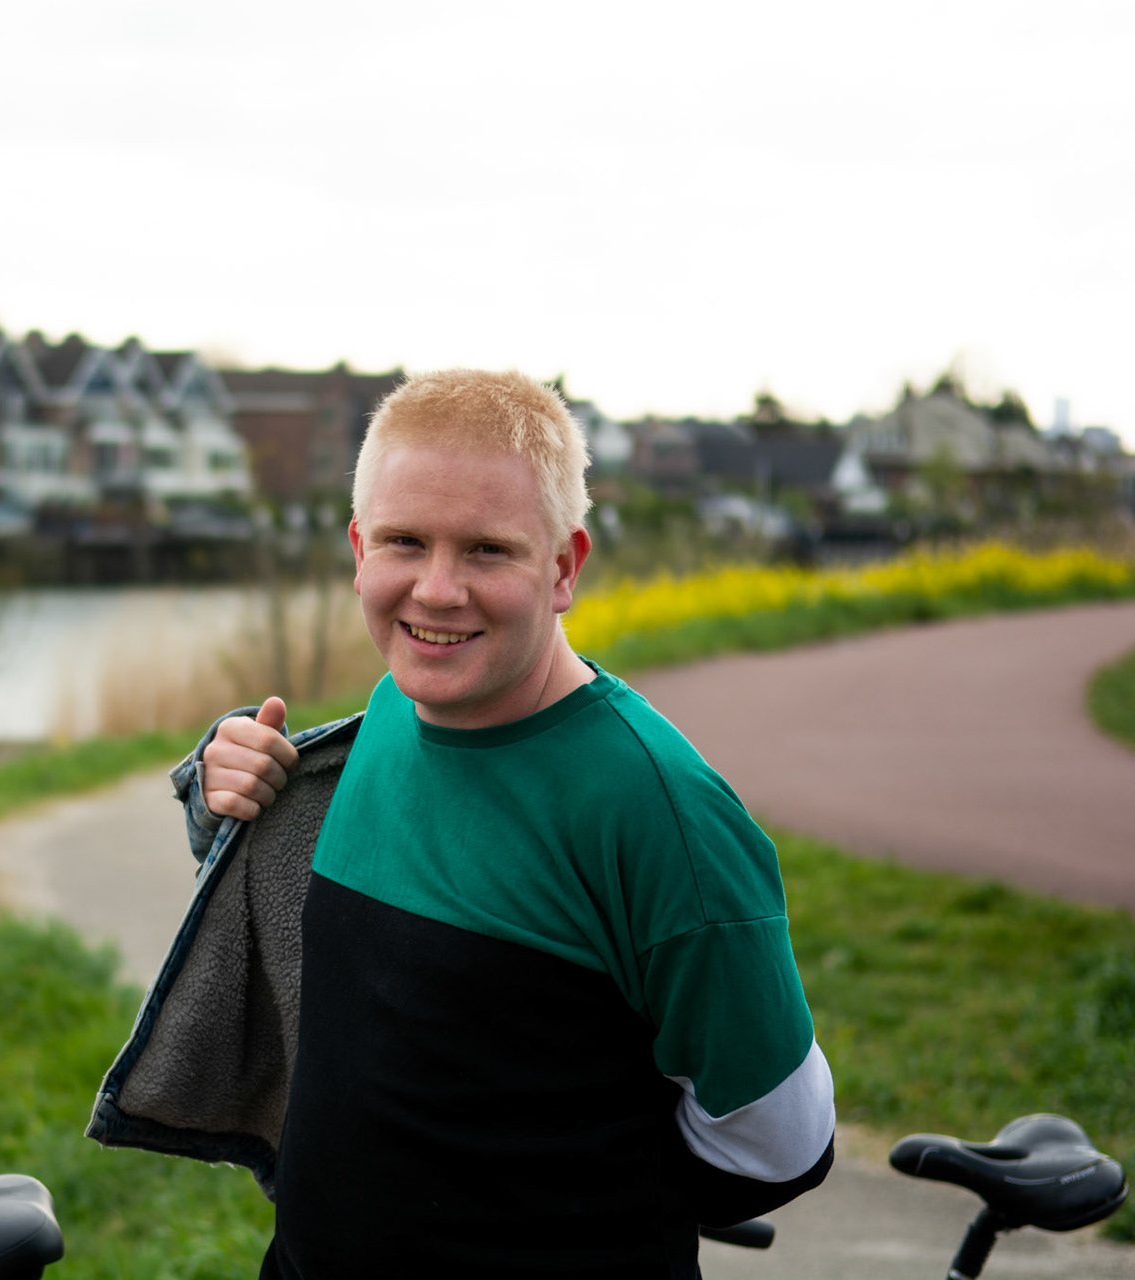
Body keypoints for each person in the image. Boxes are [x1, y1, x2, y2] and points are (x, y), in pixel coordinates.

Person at [198, 370, 834, 1278]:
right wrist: (232, 791)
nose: (438, 590)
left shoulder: (656, 809)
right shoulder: (384, 718)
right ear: (357, 550)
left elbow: (777, 1144)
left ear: (565, 567)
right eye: (404, 542)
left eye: (488, 551)